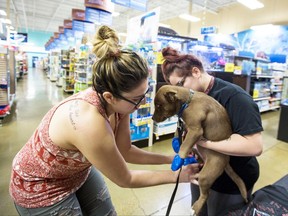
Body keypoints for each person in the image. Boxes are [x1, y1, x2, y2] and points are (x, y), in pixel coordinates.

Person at [9, 26, 200, 216]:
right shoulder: (89, 123)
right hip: (40, 187)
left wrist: (174, 159)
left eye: (145, 94)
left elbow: (125, 151)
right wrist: (178, 176)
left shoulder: (122, 104)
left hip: (76, 172)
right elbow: (125, 178)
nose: (142, 104)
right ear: (109, 97)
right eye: (137, 99)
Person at [160, 46, 263, 216]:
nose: (178, 92)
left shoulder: (235, 98)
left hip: (231, 182)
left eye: (180, 84)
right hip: (200, 174)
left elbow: (254, 146)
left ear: (195, 72)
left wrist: (201, 141)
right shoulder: (189, 99)